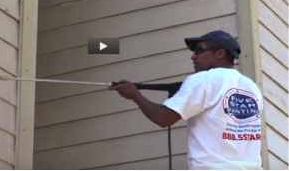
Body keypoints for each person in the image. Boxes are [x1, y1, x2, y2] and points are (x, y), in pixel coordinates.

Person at [109, 30, 263, 170]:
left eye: (199, 50)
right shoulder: (251, 87)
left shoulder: (204, 80)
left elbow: (163, 118)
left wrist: (135, 95)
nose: (193, 56)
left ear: (220, 53)